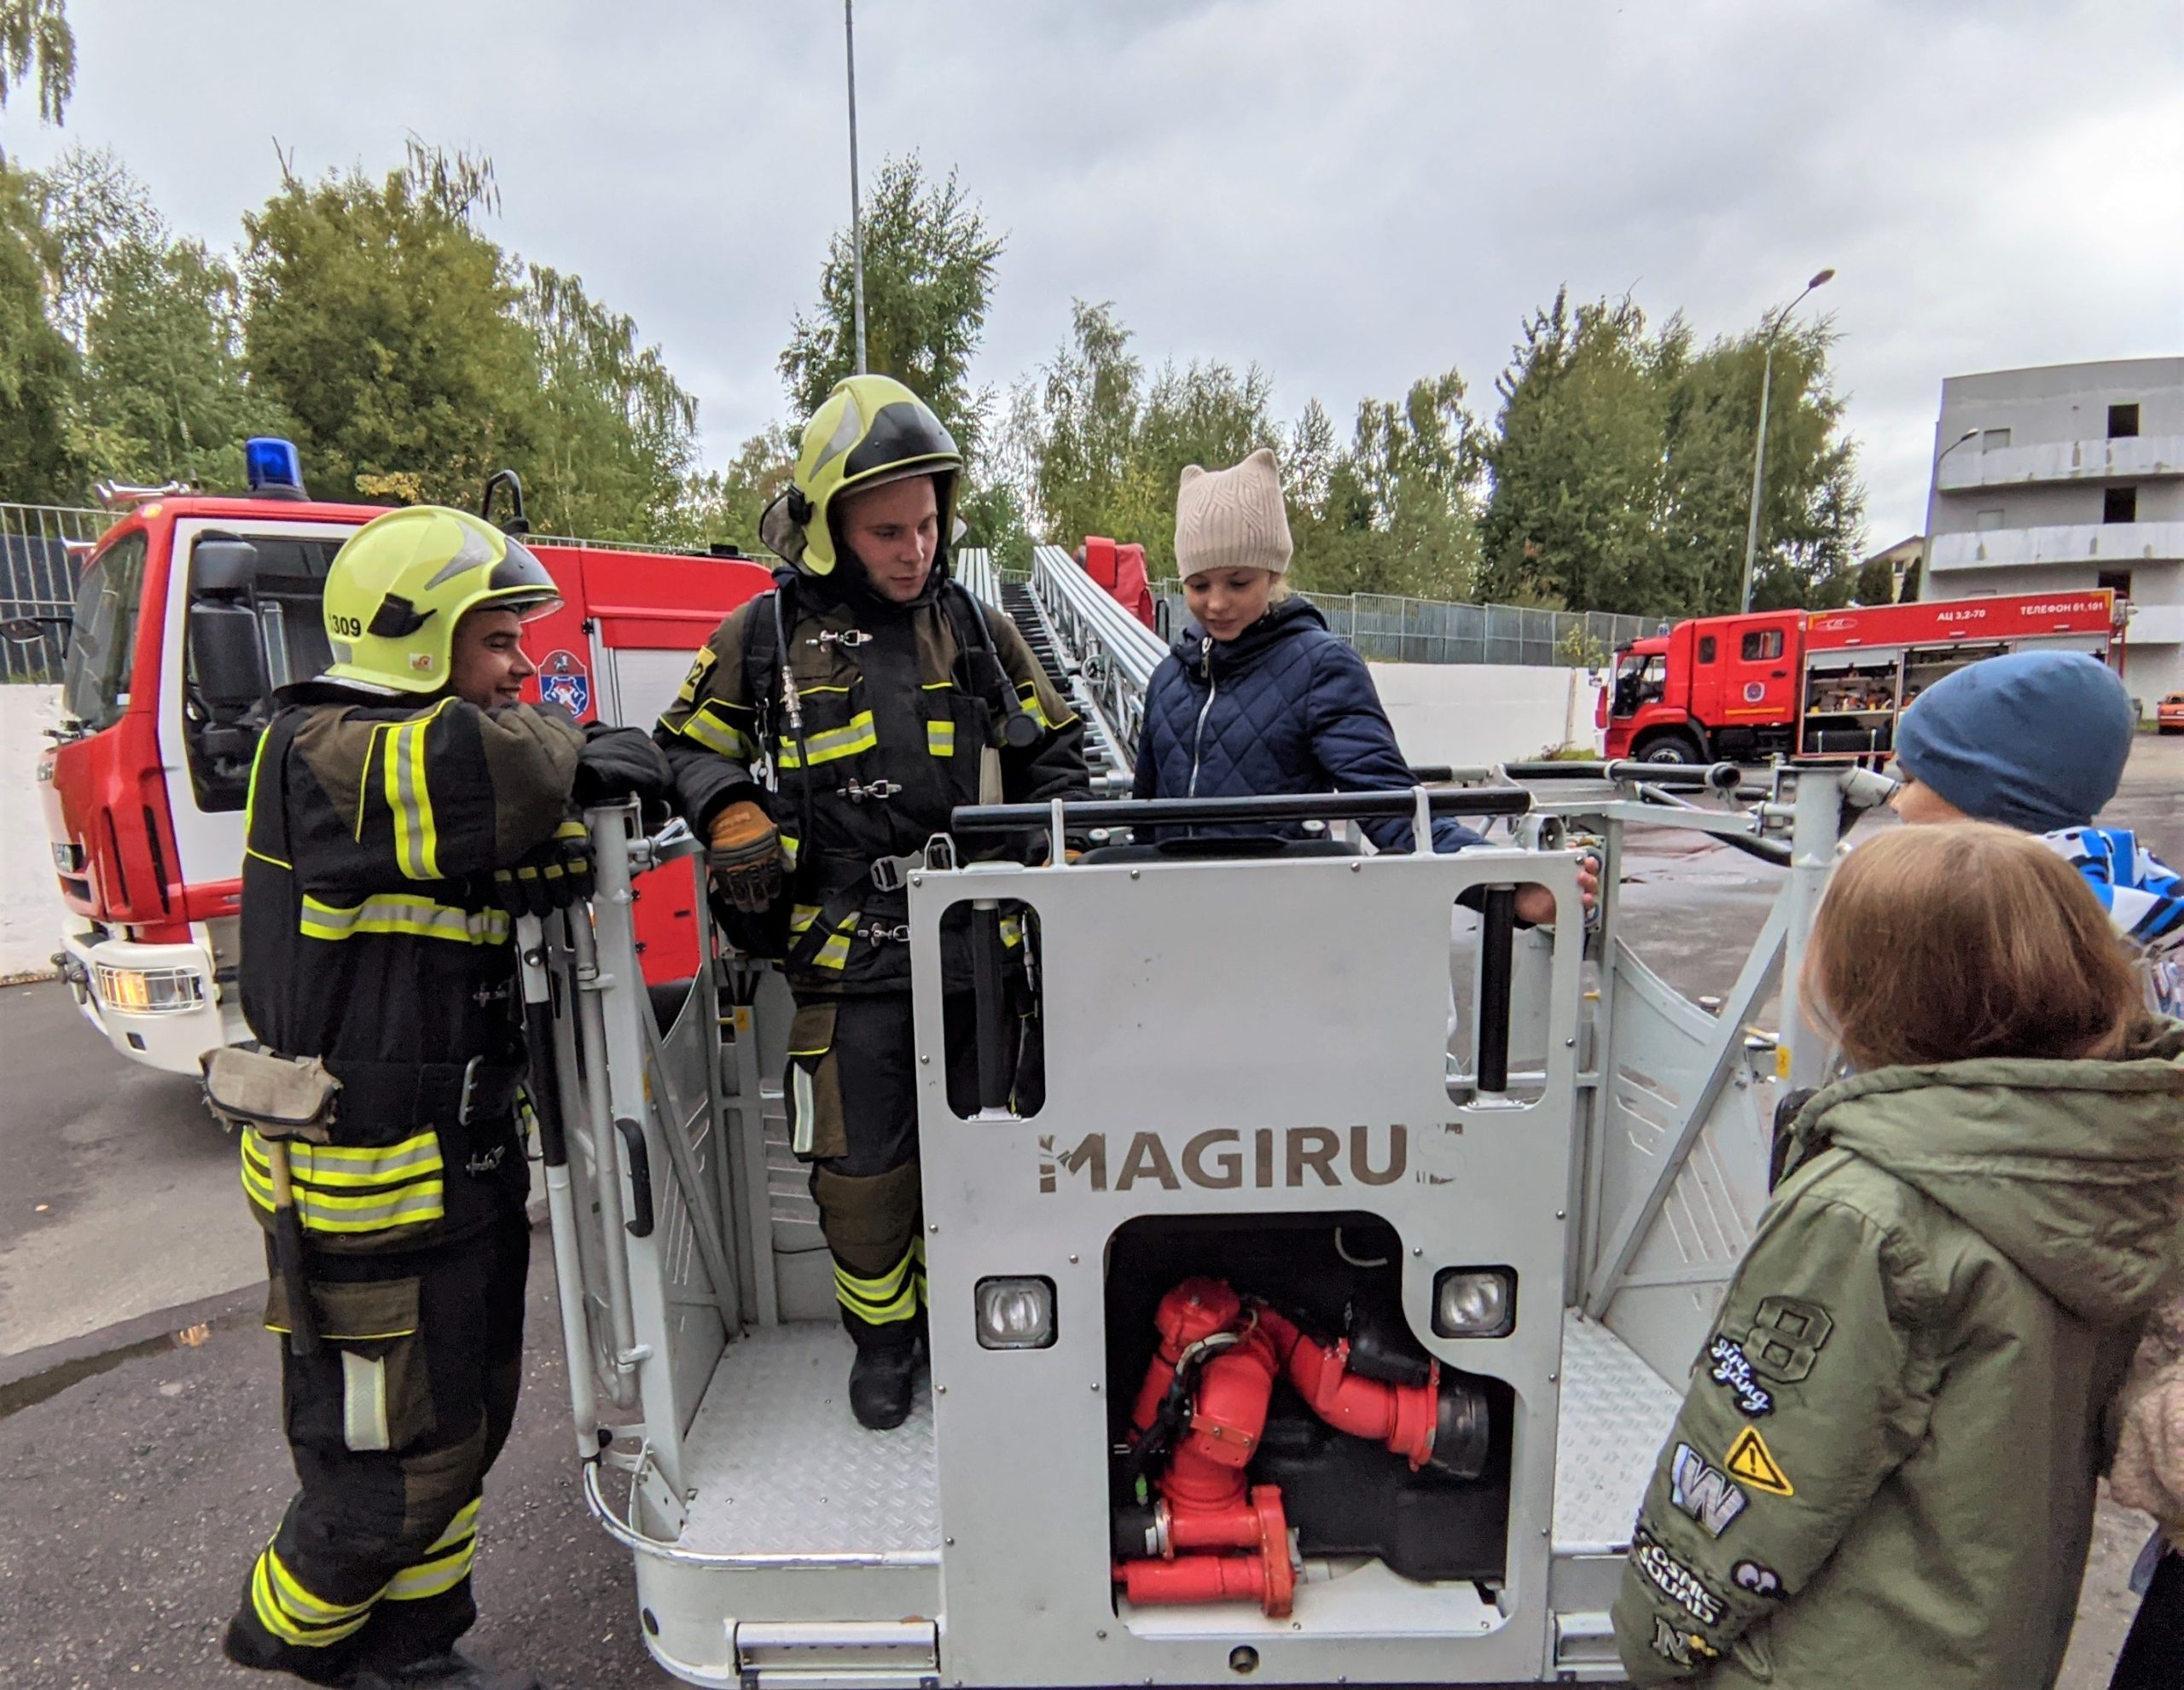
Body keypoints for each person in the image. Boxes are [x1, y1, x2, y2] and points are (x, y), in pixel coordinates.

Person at [219, 505, 670, 1690]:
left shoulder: (397, 769)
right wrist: (577, 751)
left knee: (459, 1436)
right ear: (418, 647)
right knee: (380, 1474)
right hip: (363, 1189)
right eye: (498, 641)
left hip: (447, 1167)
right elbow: (502, 767)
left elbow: (500, 830)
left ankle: (415, 1653)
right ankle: (291, 1643)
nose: (523, 667)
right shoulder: (330, 748)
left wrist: (554, 840)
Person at [1611, 822, 2184, 1689]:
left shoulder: (1867, 1208)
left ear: (1868, 987)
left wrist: (1655, 1635)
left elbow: (1758, 1465)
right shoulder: (2114, 1163)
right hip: (1989, 1643)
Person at [655, 374, 1087, 1431]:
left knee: (978, 1163)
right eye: (888, 530)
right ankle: (883, 1347)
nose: (914, 549)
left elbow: (1060, 755)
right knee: (859, 1178)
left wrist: (1039, 853)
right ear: (830, 532)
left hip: (977, 957)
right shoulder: (764, 636)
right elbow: (676, 744)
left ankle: (958, 1334)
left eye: (928, 524)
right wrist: (725, 810)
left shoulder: (976, 629)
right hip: (841, 959)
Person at [1132, 448, 1594, 922]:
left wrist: (1511, 886)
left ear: (1273, 575)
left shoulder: (1320, 667)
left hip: (1279, 922)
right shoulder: (1169, 678)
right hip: (1174, 922)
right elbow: (1141, 820)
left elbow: (1390, 805)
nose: (1217, 604)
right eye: (1199, 584)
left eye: (1238, 582)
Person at [1891, 648, 2182, 1015]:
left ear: (1985, 794)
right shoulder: (2127, 885)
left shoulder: (1977, 932)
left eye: (1910, 780)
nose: (1895, 802)